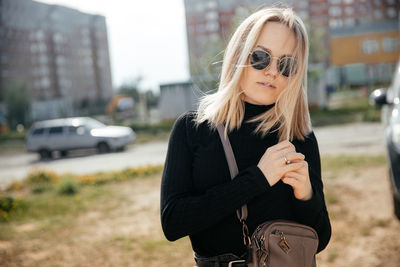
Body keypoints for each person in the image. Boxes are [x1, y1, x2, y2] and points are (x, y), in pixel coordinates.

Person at [160, 7, 331, 266]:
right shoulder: (192, 129)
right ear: (239, 55)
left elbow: (321, 239)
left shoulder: (299, 138)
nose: (272, 71)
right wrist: (258, 179)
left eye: (286, 64)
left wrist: (306, 195)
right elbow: (173, 223)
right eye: (261, 57)